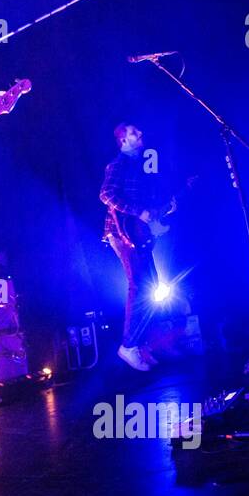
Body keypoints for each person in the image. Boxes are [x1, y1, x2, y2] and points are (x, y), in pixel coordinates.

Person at [99, 123, 172, 371]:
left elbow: (140, 203)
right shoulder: (118, 164)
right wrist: (139, 211)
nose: (140, 134)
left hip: (137, 234)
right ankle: (128, 346)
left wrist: (160, 210)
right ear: (123, 141)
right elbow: (106, 194)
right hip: (122, 234)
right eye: (134, 133)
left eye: (139, 131)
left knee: (151, 285)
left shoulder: (138, 166)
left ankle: (139, 344)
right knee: (139, 285)